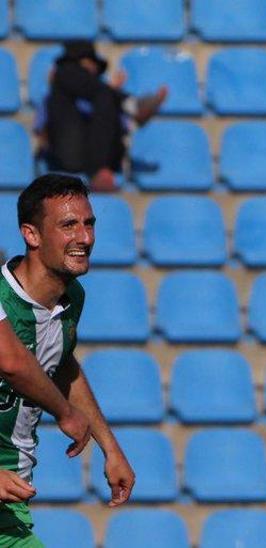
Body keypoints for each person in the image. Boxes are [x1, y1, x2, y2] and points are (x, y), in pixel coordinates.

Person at [0, 174, 134, 545]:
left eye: (88, 224)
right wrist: (65, 413)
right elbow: (11, 362)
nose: (85, 238)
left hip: (11, 505)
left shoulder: (71, 299)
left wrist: (110, 447)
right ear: (32, 235)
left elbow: (62, 364)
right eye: (68, 225)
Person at [42, 40, 166, 191]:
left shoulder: (95, 97)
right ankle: (132, 105)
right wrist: (113, 92)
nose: (94, 71)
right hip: (69, 152)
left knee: (107, 100)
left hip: (96, 154)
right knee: (105, 96)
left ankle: (132, 107)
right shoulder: (64, 77)